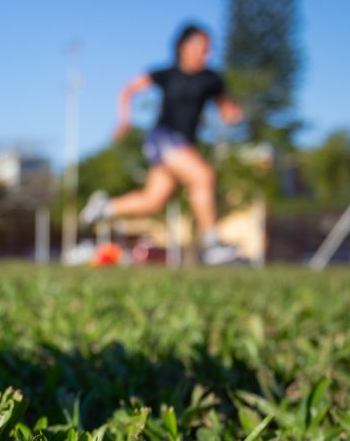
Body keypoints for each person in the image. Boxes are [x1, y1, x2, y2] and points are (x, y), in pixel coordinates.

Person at [80, 24, 244, 265]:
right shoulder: (167, 74)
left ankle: (105, 207)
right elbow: (128, 90)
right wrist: (124, 119)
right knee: (203, 176)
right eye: (201, 47)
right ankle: (213, 244)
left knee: (153, 200)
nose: (206, 54)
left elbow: (225, 107)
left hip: (185, 144)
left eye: (209, 49)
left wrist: (232, 113)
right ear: (183, 47)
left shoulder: (211, 79)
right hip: (164, 137)